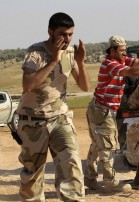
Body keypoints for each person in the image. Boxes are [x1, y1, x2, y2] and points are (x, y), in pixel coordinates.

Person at [16, 12, 90, 201]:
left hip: (59, 118)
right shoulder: (36, 53)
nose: (67, 39)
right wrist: (54, 60)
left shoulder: (71, 52)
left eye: (70, 34)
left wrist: (80, 63)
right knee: (32, 174)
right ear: (50, 31)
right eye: (62, 34)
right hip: (33, 122)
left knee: (71, 164)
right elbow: (28, 85)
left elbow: (85, 86)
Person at [84, 35, 139, 192]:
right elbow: (133, 71)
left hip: (102, 109)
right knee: (108, 145)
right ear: (112, 50)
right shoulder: (110, 64)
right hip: (102, 109)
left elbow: (138, 62)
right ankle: (110, 182)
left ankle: (90, 178)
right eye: (122, 50)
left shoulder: (121, 59)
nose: (125, 53)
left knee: (98, 143)